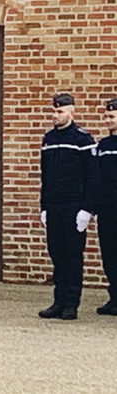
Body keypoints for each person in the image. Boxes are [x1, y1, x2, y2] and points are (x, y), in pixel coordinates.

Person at [39, 93, 97, 321]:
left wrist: (87, 209)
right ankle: (59, 300)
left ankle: (71, 303)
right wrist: (43, 206)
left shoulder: (83, 139)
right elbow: (46, 175)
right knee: (57, 253)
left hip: (74, 205)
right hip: (54, 204)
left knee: (73, 255)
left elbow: (92, 176)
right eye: (54, 111)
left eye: (60, 111)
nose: (55, 115)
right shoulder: (48, 139)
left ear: (72, 112)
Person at [94, 98, 117, 316]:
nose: (107, 120)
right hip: (107, 209)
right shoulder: (104, 145)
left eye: (111, 116)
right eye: (106, 116)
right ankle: (114, 297)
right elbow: (97, 178)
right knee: (109, 254)